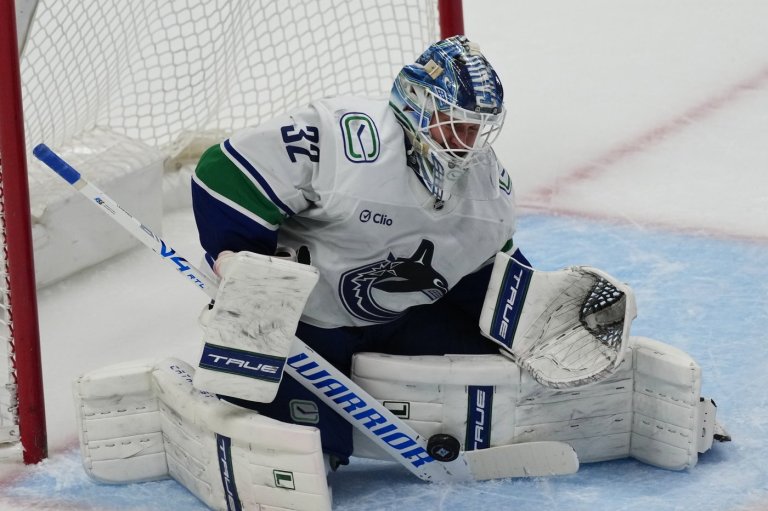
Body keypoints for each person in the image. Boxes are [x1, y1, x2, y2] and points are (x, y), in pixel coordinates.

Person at [190, 35, 523, 467]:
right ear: (417, 100)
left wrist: (529, 324)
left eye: (477, 128)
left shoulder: (487, 187)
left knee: (502, 362)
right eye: (454, 123)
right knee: (261, 292)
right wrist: (236, 254)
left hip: (401, 319)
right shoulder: (347, 138)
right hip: (306, 324)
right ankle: (241, 407)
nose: (466, 142)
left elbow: (489, 277)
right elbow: (224, 171)